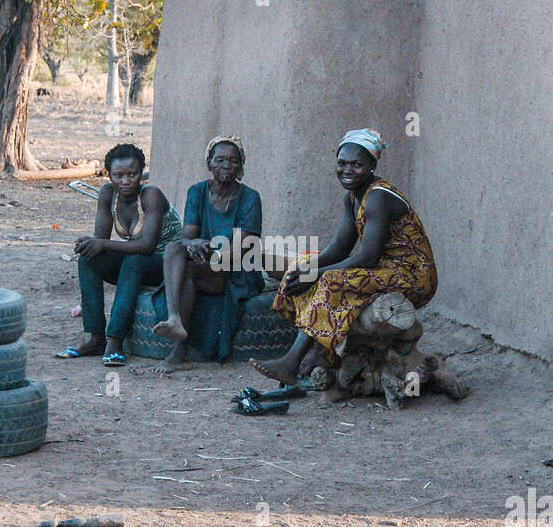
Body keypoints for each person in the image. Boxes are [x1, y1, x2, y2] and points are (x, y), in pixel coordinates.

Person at [250, 129, 437, 385]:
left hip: (412, 276)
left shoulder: (379, 197)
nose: (347, 170)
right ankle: (321, 354)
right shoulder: (352, 197)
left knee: (330, 280)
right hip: (384, 269)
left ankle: (291, 362)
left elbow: (368, 257)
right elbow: (340, 247)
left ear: (372, 165)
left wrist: (317, 274)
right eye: (342, 163)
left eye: (357, 165)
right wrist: (307, 269)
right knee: (300, 266)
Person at [57, 143, 181, 367]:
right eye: (118, 175)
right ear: (109, 175)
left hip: (168, 266)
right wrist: (91, 242)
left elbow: (147, 247)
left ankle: (115, 340)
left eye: (132, 174)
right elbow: (101, 238)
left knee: (134, 261)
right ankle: (96, 337)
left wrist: (102, 242)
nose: (125, 181)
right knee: (88, 259)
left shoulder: (150, 195)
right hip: (139, 261)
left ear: (141, 173)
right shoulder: (107, 194)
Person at [152, 135, 264, 371]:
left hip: (237, 270)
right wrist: (193, 244)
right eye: (220, 159)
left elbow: (239, 251)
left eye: (233, 161)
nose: (226, 165)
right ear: (209, 164)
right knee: (175, 249)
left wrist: (208, 246)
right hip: (204, 265)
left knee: (187, 271)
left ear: (241, 166)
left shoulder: (250, 198)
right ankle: (174, 320)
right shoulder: (197, 192)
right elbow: (186, 236)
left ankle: (179, 351)